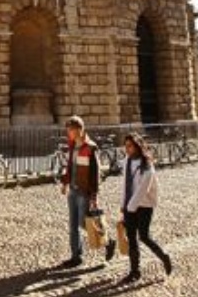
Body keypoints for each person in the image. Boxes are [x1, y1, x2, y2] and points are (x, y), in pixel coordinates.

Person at [58, 115, 111, 267]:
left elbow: (95, 174)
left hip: (84, 191)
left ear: (80, 130)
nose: (69, 133)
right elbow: (70, 166)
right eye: (68, 130)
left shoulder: (90, 148)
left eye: (71, 130)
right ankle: (76, 256)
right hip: (73, 190)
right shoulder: (72, 145)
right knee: (73, 224)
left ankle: (108, 242)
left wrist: (94, 196)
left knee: (84, 223)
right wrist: (65, 183)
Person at [119, 133, 172, 283]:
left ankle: (163, 256)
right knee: (131, 239)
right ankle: (135, 271)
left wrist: (130, 206)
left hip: (145, 205)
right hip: (130, 205)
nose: (127, 149)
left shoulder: (147, 165)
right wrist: (123, 205)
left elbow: (144, 188)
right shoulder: (126, 162)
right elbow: (125, 185)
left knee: (144, 236)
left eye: (130, 146)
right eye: (126, 146)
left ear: (137, 146)